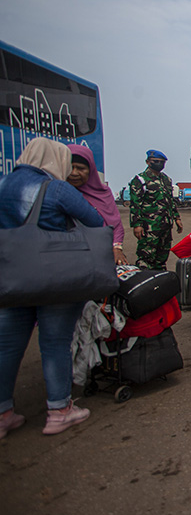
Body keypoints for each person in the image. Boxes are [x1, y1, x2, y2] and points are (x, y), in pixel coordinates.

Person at [0, 138, 104, 437]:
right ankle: (59, 410)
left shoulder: (4, 183)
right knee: (55, 342)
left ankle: (4, 412)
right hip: (54, 276)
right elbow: (94, 220)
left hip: (11, 278)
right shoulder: (55, 188)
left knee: (7, 346)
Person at [68, 144, 128, 265]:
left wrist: (117, 248)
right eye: (70, 167)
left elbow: (116, 225)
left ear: (91, 170)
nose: (74, 173)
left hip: (99, 254)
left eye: (80, 168)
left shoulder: (103, 193)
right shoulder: (57, 193)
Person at [129, 149, 182, 270]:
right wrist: (137, 225)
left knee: (162, 257)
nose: (159, 164)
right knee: (146, 257)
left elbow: (170, 201)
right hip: (149, 227)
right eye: (156, 161)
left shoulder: (166, 180)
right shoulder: (140, 180)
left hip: (165, 226)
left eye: (162, 162)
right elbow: (135, 204)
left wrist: (177, 218)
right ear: (148, 162)